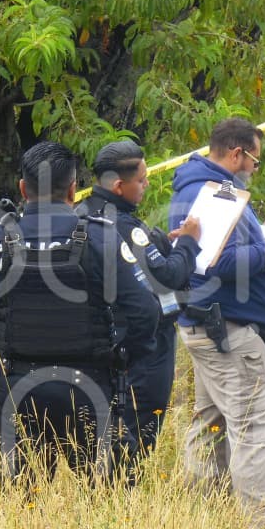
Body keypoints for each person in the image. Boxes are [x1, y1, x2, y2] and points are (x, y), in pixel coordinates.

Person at [0, 141, 160, 490]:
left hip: (17, 387)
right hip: (91, 385)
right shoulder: (101, 238)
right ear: (74, 189)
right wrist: (123, 361)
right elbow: (145, 311)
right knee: (106, 500)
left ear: (23, 188)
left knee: (24, 501)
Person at [168, 117, 265, 523]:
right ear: (236, 154)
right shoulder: (216, 193)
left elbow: (214, 250)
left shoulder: (199, 186)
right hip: (227, 334)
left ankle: (203, 518)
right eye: (255, 161)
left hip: (208, 327)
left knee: (211, 424)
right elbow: (219, 264)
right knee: (254, 430)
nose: (254, 169)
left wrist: (261, 236)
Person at [76, 141, 201, 457]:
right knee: (137, 435)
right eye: (142, 180)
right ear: (119, 186)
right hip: (142, 346)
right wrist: (189, 243)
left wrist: (160, 244)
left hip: (98, 344)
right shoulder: (123, 224)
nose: (146, 185)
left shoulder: (83, 215)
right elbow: (167, 276)